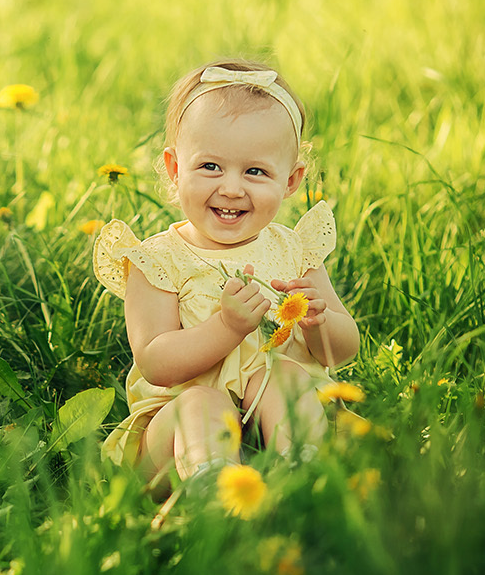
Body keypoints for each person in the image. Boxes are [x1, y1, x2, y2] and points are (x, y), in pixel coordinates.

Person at [94, 58, 360, 495]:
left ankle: (302, 472)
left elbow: (341, 352)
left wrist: (321, 322)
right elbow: (156, 363)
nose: (232, 188)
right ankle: (211, 489)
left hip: (273, 426)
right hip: (179, 438)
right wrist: (226, 327)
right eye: (211, 167)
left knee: (286, 376)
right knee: (201, 402)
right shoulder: (157, 260)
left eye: (255, 171)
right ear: (176, 169)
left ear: (291, 181)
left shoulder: (295, 251)